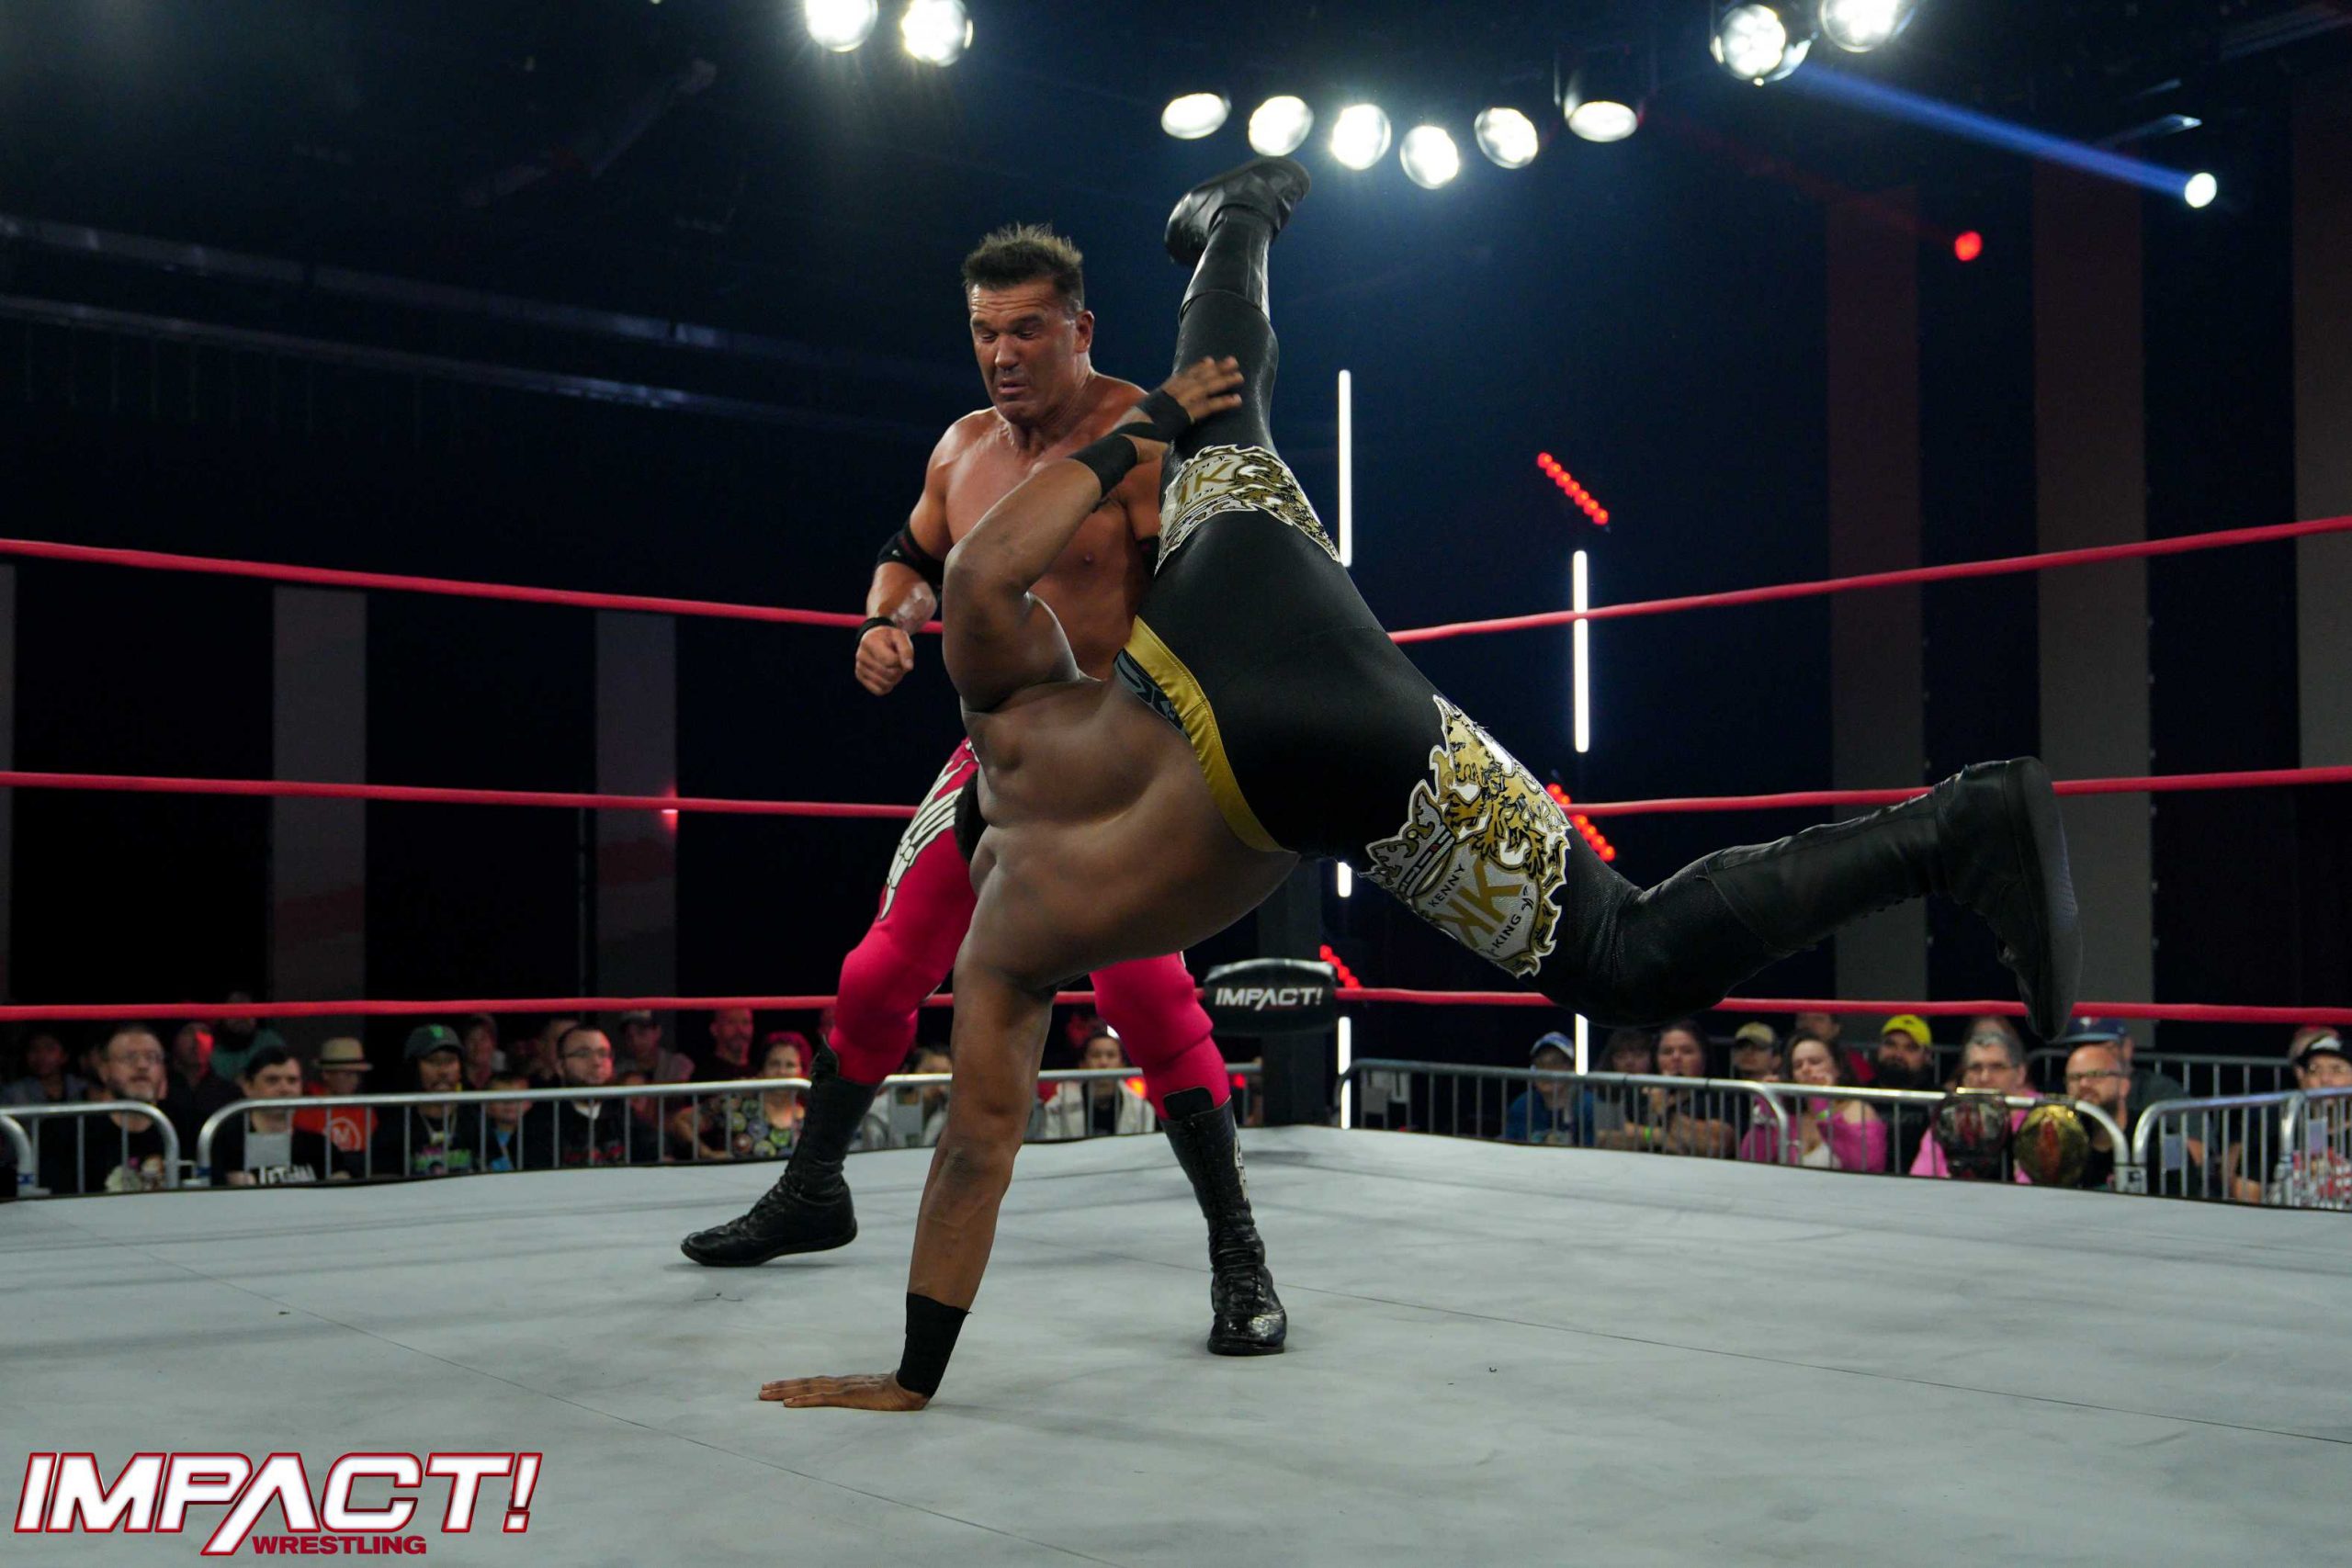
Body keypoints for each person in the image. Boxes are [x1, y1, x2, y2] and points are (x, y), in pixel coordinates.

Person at [760, 157, 2078, 1412]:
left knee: (1626, 953)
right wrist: (1148, 426)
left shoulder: (1005, 953)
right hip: (1241, 615)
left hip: (1321, 765)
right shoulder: (1013, 694)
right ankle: (1239, 219)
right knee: (1226, 410)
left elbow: (974, 1153)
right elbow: (982, 572)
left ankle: (1953, 829)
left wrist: (913, 1372)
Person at [684, 220, 1287, 1360]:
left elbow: (1221, 594)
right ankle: (812, 1188)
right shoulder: (962, 448)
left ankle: (1239, 1253)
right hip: (998, 762)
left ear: (1079, 327)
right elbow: (910, 555)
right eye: (983, 333)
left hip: (1116, 769)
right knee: (877, 973)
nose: (1003, 355)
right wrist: (884, 621)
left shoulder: (1143, 438)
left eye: (1027, 330)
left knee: (1148, 1000)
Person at [37, 1026, 173, 1196]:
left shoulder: (188, 1126)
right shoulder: (64, 1132)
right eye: (129, 1057)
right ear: (104, 1071)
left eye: (152, 1058)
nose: (142, 1065)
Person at [1741, 1035, 1887, 1171]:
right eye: (1798, 1065)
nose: (1805, 1069)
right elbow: (1750, 1161)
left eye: (1815, 1062)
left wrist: (1822, 1106)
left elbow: (1868, 1165)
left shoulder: (1857, 1109)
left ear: (1837, 1069)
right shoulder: (1790, 1116)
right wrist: (1766, 1113)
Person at [207, 1045, 347, 1186]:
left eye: (292, 1081)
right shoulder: (227, 1145)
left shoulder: (319, 1146)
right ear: (248, 1087)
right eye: (272, 1080)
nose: (284, 1089)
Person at [1596, 1019, 1737, 1157]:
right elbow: (1606, 1139)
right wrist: (1659, 1136)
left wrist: (1664, 1111)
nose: (1676, 1057)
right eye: (1667, 1052)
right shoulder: (1641, 1094)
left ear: (1704, 1057)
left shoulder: (1722, 1096)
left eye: (1687, 1051)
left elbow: (1714, 1145)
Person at [1911, 1032, 2041, 1181]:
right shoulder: (1948, 1118)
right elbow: (1920, 1179)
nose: (1984, 1078)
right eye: (1975, 1068)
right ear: (1964, 1075)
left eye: (1997, 1067)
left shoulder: (2041, 1116)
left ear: (2020, 1074)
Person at [368, 1024, 479, 1179]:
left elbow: (498, 1174)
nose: (443, 1071)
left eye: (450, 1061)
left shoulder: (475, 1119)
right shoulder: (394, 1127)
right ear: (414, 1068)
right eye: (433, 1061)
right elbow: (381, 1183)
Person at [521, 1025, 639, 1168]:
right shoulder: (541, 1118)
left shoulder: (621, 1110)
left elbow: (653, 1152)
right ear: (560, 1067)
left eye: (603, 1053)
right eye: (583, 1054)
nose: (597, 1062)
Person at [685, 1032, 811, 1161]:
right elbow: (682, 1122)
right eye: (774, 1064)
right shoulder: (737, 1104)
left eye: (790, 1065)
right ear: (762, 1071)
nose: (781, 1072)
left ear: (803, 1072)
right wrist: (707, 1154)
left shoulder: (812, 1119)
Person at [1035, 1024, 1155, 1140]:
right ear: (1083, 1065)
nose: (1103, 1062)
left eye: (1111, 1055)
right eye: (1096, 1055)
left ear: (1122, 1064)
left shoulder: (1142, 1109)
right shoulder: (1058, 1105)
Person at [292, 1036, 379, 1156]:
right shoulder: (305, 1108)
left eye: (357, 1074)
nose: (355, 1080)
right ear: (326, 1074)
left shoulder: (364, 1109)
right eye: (348, 1074)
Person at [1502, 1032, 1594, 1146]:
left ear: (1571, 1068)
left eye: (1555, 1063)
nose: (1546, 1070)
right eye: (1540, 1064)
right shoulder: (1522, 1105)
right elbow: (1507, 1144)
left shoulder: (1589, 1106)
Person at [161, 1021, 240, 1151]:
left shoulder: (230, 1092)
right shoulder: (159, 1088)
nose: (197, 1039)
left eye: (204, 1032)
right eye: (188, 1032)